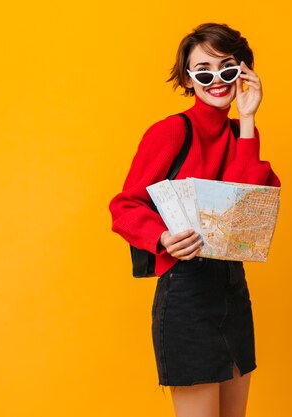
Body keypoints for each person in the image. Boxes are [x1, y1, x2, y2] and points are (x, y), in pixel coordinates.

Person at [109, 22, 281, 417]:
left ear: (244, 73)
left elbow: (244, 207)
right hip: (187, 295)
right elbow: (124, 205)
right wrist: (163, 237)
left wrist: (249, 118)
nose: (216, 80)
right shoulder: (171, 131)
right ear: (188, 79)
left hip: (232, 290)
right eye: (203, 70)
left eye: (227, 68)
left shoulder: (243, 134)